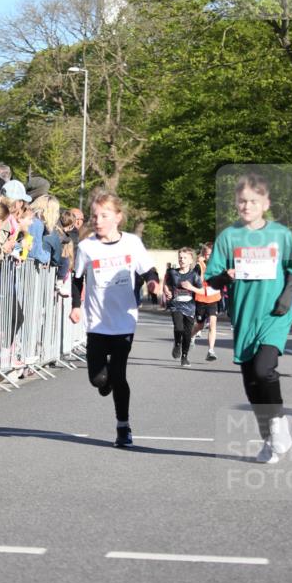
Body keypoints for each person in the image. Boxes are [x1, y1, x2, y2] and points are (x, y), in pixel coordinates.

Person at [205, 173, 292, 464]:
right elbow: (212, 278)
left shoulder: (280, 235)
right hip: (244, 315)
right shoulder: (229, 237)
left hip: (274, 314)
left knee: (263, 370)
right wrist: (225, 275)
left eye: (254, 201)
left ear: (265, 203)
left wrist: (286, 299)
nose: (247, 206)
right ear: (236, 203)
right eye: (242, 201)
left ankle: (278, 422)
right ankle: (268, 441)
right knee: (251, 384)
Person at [69, 191, 159, 448]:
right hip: (97, 322)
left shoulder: (132, 243)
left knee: (119, 375)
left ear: (118, 218)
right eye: (95, 215)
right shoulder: (87, 247)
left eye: (104, 215)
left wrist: (152, 282)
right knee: (98, 380)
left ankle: (123, 426)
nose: (97, 220)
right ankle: (105, 383)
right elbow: (77, 280)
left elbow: (148, 269)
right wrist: (76, 306)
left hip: (123, 322)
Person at [163, 247, 202, 367]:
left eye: (185, 258)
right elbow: (166, 284)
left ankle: (184, 357)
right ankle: (177, 344)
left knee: (187, 333)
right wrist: (167, 291)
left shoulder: (194, 275)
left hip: (190, 307)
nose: (182, 259)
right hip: (176, 305)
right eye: (180, 257)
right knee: (179, 327)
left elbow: (201, 290)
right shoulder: (172, 272)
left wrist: (191, 288)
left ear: (191, 260)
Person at [192, 242, 220, 360]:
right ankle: (191, 337)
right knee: (200, 325)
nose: (210, 257)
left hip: (213, 297)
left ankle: (211, 351)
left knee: (213, 324)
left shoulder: (218, 265)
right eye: (208, 255)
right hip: (201, 298)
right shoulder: (199, 266)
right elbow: (197, 281)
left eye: (211, 255)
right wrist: (200, 263)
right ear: (203, 254)